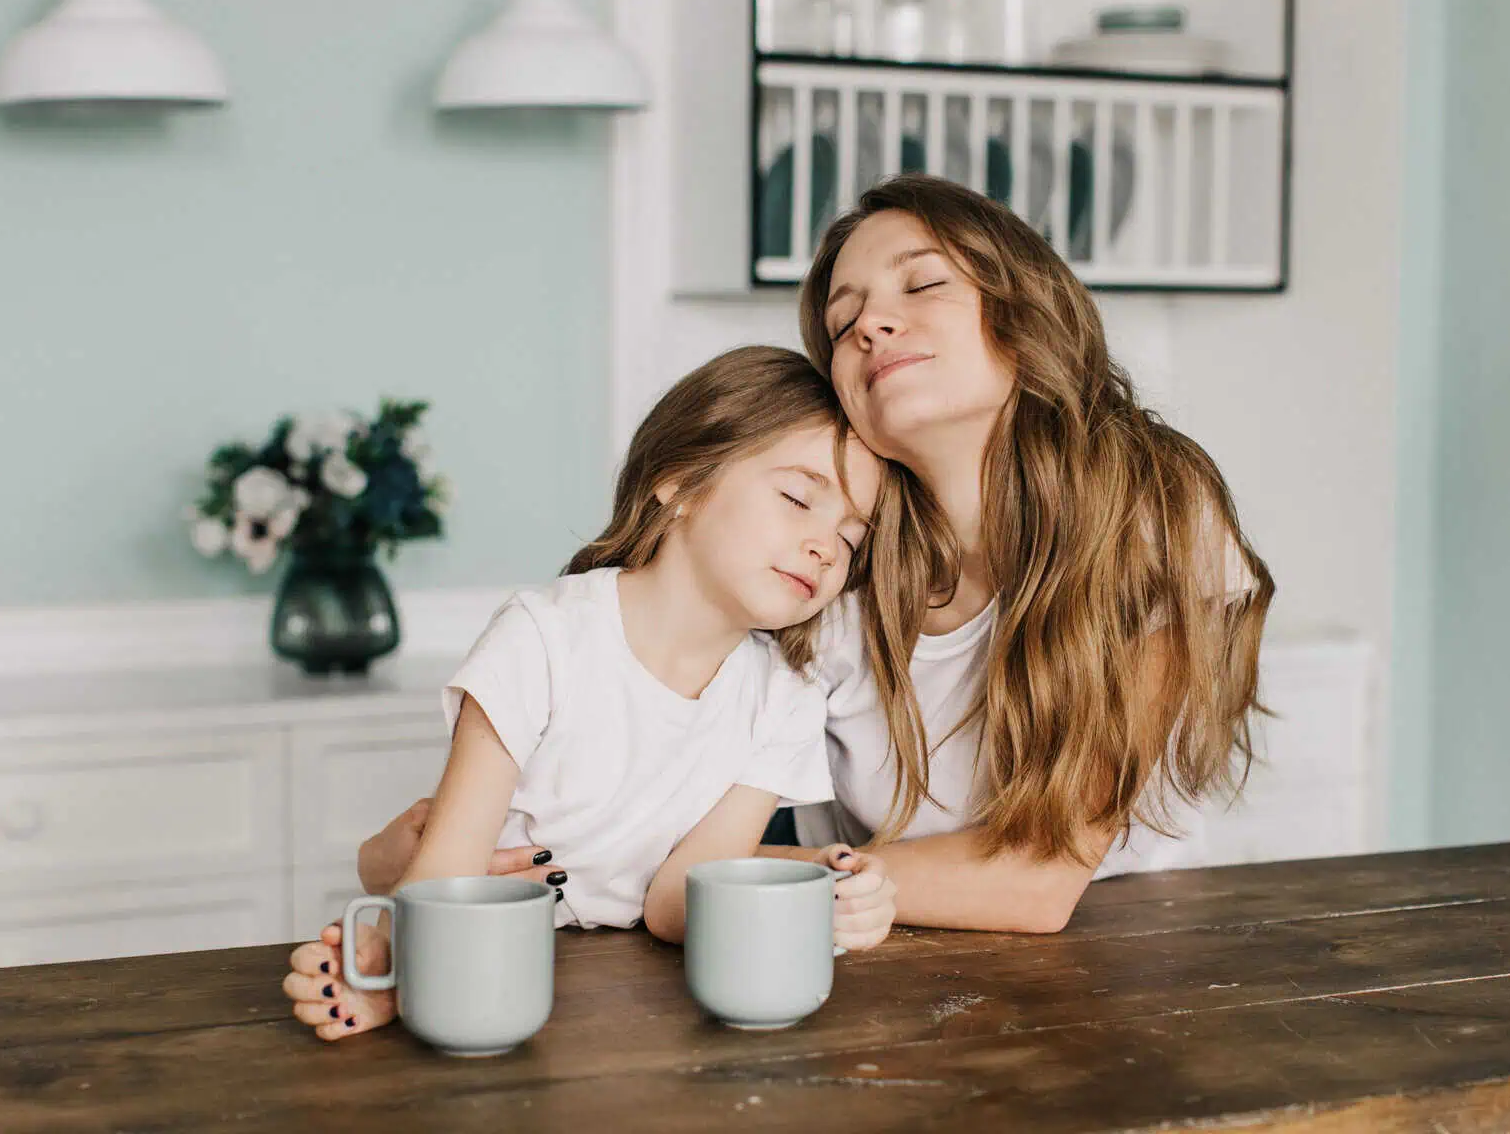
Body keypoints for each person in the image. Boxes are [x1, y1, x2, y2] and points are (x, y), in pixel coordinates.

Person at [361, 173, 1273, 936]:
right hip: (869, 963)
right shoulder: (826, 578)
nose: (872, 325)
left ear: (1022, 305)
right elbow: (651, 801)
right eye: (845, 323)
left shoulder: (1155, 513)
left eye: (921, 287)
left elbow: (1036, 884)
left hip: (1129, 961)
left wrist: (719, 875)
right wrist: (426, 856)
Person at [284, 346, 899, 1041]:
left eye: (852, 539)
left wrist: (816, 891)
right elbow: (450, 865)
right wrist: (398, 974)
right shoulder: (541, 635)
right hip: (491, 977)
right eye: (798, 498)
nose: (825, 547)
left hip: (628, 1006)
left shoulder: (788, 699)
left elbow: (676, 899)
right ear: (681, 481)